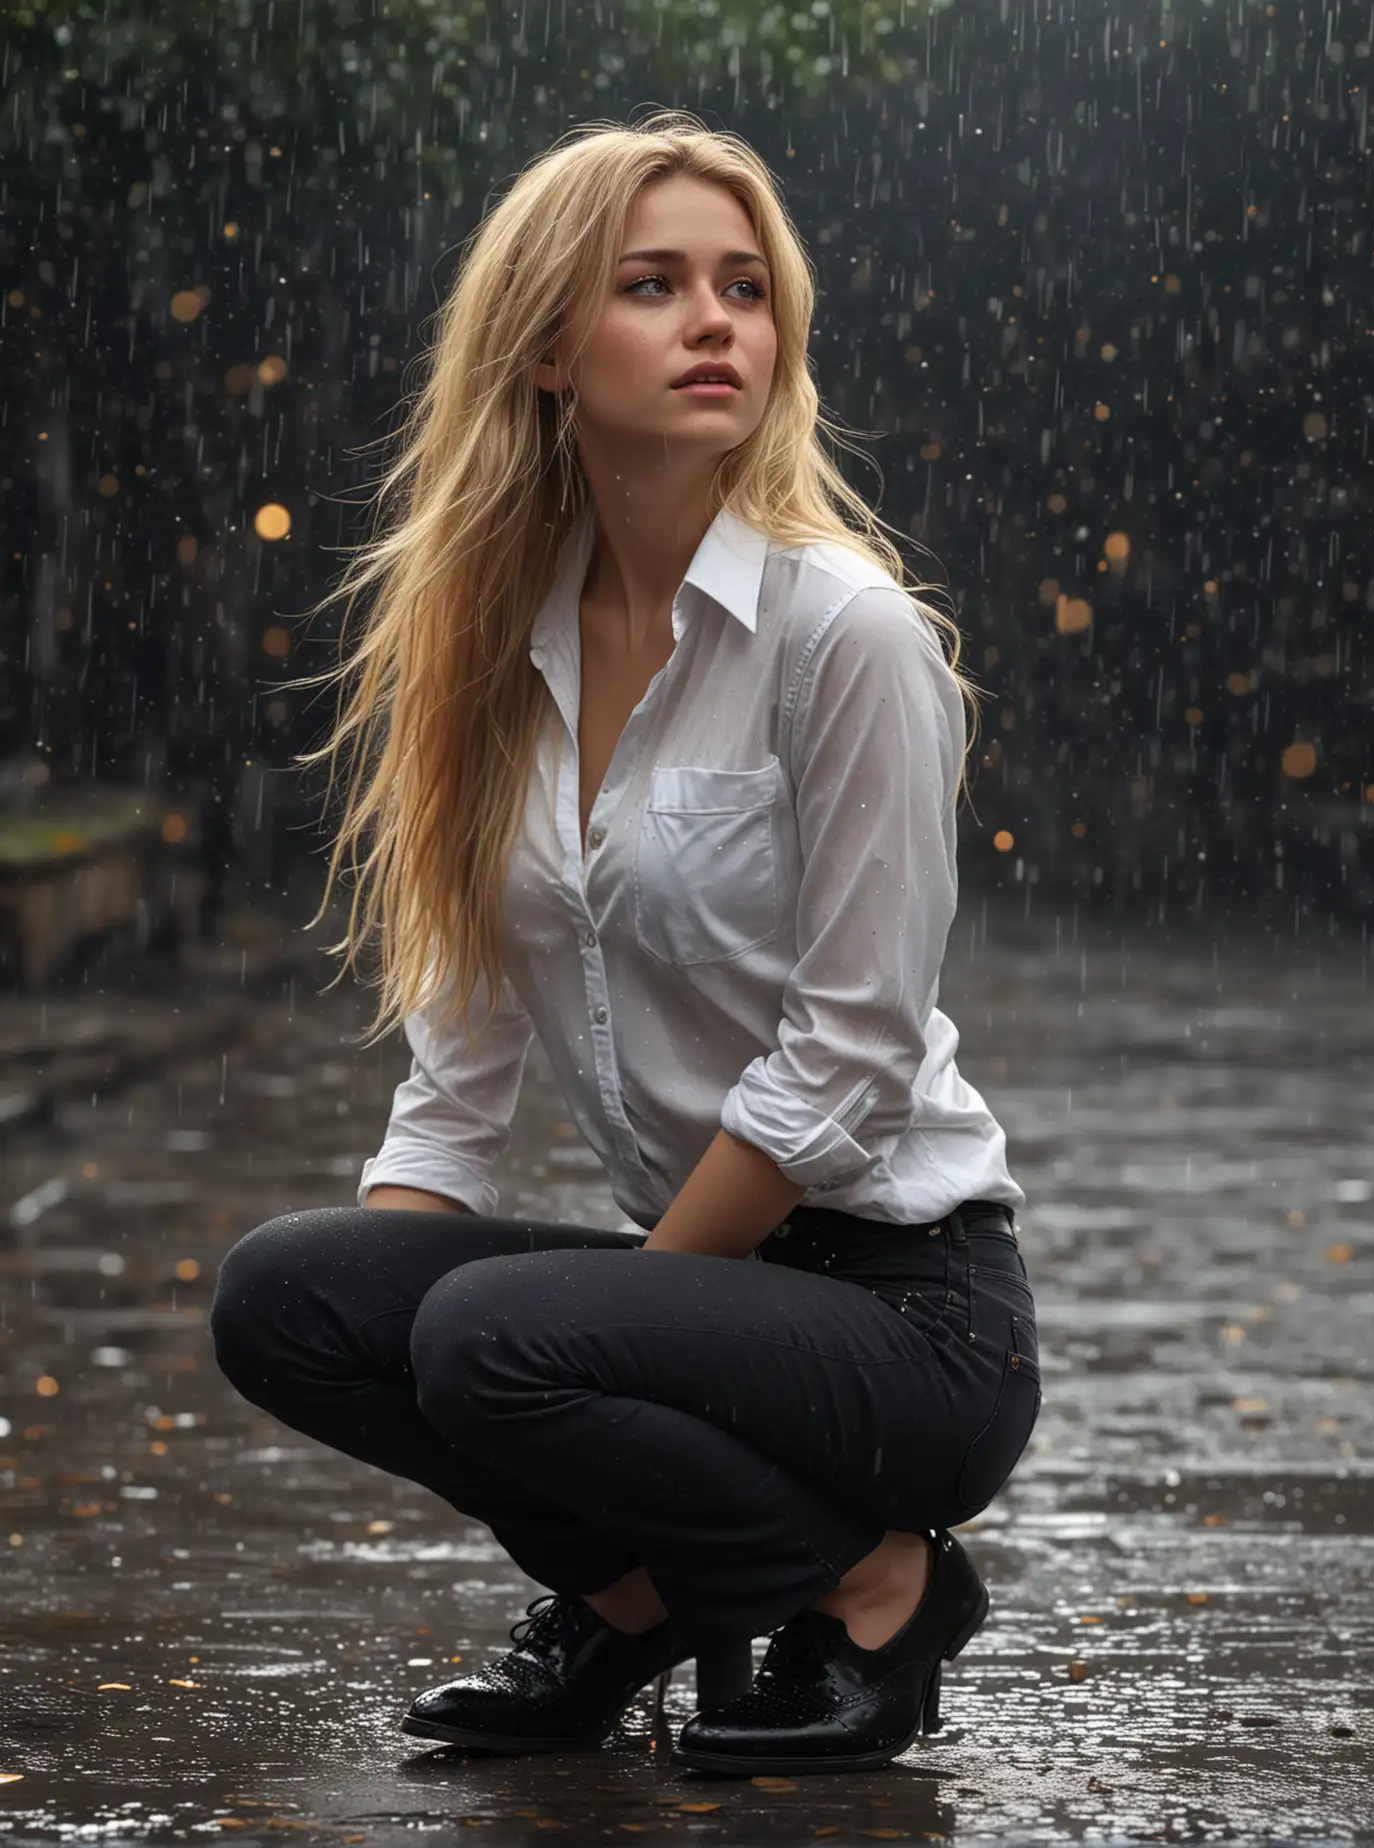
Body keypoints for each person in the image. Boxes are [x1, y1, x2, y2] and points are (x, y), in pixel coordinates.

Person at [209, 109, 1042, 1779]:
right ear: (542, 350)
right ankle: (636, 1590)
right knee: (289, 1299)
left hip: (905, 1314)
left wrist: (569, 1346)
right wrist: (415, 1340)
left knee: (492, 1338)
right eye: (652, 285)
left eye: (744, 285)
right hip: (697, 1304)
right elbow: (455, 1083)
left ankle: (879, 1585)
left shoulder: (846, 636)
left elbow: (854, 1054)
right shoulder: (492, 650)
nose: (716, 319)